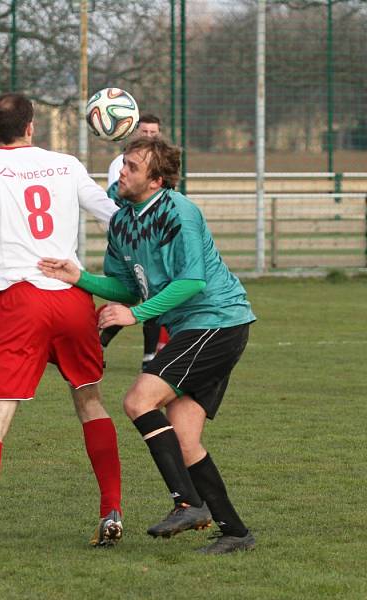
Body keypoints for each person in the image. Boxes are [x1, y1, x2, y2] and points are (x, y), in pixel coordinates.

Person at [38, 135, 257, 555]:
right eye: (123, 164)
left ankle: (189, 502)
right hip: (193, 327)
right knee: (186, 438)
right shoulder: (123, 221)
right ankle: (235, 532)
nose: (121, 172)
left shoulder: (180, 213)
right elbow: (124, 285)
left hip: (217, 321)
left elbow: (192, 282)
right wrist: (78, 277)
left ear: (156, 180)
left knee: (139, 400)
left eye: (132, 167)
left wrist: (134, 315)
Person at [0, 92, 122, 554]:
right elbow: (111, 215)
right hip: (74, 298)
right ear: (32, 125)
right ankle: (111, 509)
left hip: (22, 303)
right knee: (91, 401)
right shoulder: (67, 164)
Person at [102, 113, 168, 370]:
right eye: (145, 132)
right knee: (135, 297)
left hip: (152, 239)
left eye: (154, 132)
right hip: (130, 240)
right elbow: (114, 200)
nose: (149, 136)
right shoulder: (121, 163)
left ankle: (150, 357)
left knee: (150, 296)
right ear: (134, 132)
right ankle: (96, 342)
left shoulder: (163, 164)